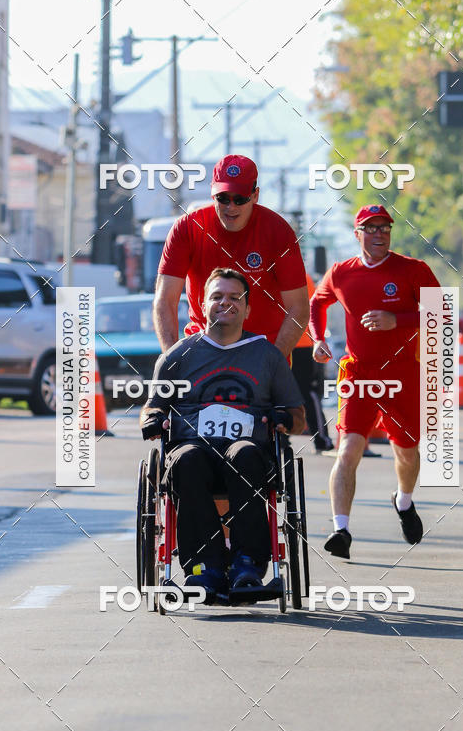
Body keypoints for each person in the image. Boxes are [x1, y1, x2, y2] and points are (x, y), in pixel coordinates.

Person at [140, 268, 306, 601]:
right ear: (202, 305)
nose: (224, 304)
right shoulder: (177, 357)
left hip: (251, 454)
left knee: (244, 454)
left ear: (247, 309)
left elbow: (299, 419)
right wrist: (153, 418)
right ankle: (203, 568)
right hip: (191, 450)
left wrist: (284, 418)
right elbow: (150, 407)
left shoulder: (267, 356)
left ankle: (248, 564)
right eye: (216, 296)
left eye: (234, 298)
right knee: (188, 459)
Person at [309, 204, 440, 559]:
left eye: (385, 227)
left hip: (403, 376)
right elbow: (316, 305)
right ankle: (341, 530)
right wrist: (318, 339)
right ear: (357, 234)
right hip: (359, 374)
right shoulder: (341, 273)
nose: (379, 233)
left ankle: (403, 500)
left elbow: (441, 313)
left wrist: (396, 320)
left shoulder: (413, 270)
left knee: (407, 451)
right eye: (371, 227)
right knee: (348, 449)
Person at [153, 154, 309, 359]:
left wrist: (274, 362)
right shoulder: (187, 228)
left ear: (255, 195)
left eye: (240, 199)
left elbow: (299, 308)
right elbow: (165, 301)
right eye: (223, 198)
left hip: (262, 348)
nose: (231, 207)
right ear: (212, 194)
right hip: (203, 348)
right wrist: (172, 361)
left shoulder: (278, 231)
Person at [291, 273, 334, 451]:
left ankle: (321, 438)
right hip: (284, 342)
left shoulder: (302, 277)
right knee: (305, 392)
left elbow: (313, 307)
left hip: (301, 344)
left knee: (308, 392)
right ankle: (320, 439)